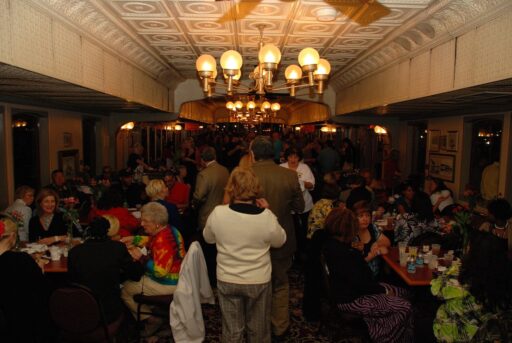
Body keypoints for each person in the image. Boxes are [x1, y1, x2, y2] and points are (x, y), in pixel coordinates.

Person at [203, 167, 287, 343]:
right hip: (258, 279)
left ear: (231, 188)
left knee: (232, 331)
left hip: (228, 278)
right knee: (258, 330)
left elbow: (208, 238)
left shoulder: (219, 213)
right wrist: (269, 211)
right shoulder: (266, 216)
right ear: (255, 188)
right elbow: (280, 241)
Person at [322, 208, 413, 342]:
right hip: (351, 299)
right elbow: (362, 283)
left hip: (352, 290)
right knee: (404, 306)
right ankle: (385, 337)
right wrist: (385, 291)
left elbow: (361, 278)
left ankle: (392, 329)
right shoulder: (343, 253)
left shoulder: (333, 244)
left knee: (405, 293)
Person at [250, 135, 304, 339]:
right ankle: (280, 327)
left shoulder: (244, 174)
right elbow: (299, 207)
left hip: (251, 240)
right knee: (280, 284)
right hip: (282, 237)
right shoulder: (289, 176)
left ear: (253, 154)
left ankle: (258, 326)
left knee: (255, 285)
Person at [432, 231, 512, 342]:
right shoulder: (503, 282)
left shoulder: (460, 279)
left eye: (468, 248)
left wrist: (455, 267)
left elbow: (437, 292)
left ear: (473, 254)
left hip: (454, 334)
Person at [121, 202, 185, 331]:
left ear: (157, 223)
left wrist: (141, 258)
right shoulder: (169, 229)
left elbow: (159, 272)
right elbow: (152, 240)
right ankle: (152, 308)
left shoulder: (162, 241)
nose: (142, 224)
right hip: (179, 276)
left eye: (145, 221)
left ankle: (151, 320)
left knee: (125, 289)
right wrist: (135, 239)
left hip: (168, 283)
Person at [68, 217, 144, 323]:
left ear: (89, 230)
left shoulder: (74, 252)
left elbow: (72, 280)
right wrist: (139, 260)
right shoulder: (118, 248)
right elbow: (135, 275)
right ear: (108, 231)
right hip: (109, 310)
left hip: (81, 308)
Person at [0, 215, 54, 342]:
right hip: (22, 321)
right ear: (13, 236)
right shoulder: (20, 260)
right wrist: (39, 267)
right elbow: (41, 287)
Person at [280, 147, 315, 261]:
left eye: (296, 157)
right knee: (290, 228)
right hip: (288, 204)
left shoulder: (304, 168)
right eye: (290, 156)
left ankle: (303, 250)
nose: (293, 159)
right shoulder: (282, 168)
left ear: (299, 158)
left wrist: (300, 182)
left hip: (304, 203)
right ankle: (291, 251)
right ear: (287, 157)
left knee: (303, 228)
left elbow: (311, 185)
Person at [352, 201, 391, 277]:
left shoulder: (372, 227)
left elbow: (387, 241)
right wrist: (375, 253)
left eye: (367, 215)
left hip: (377, 275)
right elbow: (356, 263)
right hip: (361, 277)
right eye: (361, 216)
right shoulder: (352, 234)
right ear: (354, 218)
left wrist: (377, 244)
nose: (365, 219)